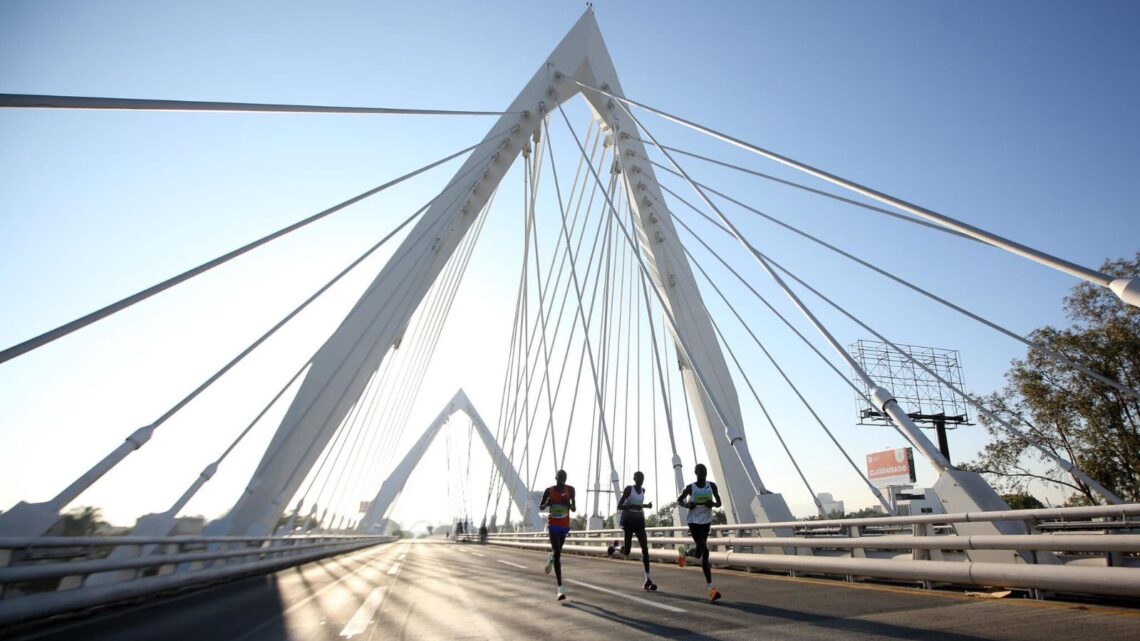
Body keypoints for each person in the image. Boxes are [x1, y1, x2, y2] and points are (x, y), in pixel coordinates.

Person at [675, 463, 723, 602]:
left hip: (706, 522)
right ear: (696, 473)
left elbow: (719, 503)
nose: (703, 473)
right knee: (705, 552)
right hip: (694, 522)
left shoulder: (712, 485)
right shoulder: (691, 487)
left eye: (705, 471)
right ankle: (711, 590)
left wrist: (712, 504)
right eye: (700, 471)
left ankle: (684, 553)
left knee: (698, 553)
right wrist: (687, 504)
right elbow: (679, 501)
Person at [614, 471, 657, 591]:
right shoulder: (629, 489)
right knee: (627, 552)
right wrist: (630, 507)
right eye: (638, 478)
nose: (640, 480)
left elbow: (638, 505)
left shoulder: (643, 490)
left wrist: (646, 506)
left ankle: (647, 580)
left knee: (645, 549)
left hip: (639, 521)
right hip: (628, 520)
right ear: (634, 479)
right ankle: (615, 548)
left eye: (642, 478)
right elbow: (619, 506)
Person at [539, 469, 576, 601]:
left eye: (564, 477)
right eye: (560, 477)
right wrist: (547, 503)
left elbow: (574, 509)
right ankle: (560, 589)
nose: (562, 479)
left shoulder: (571, 490)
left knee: (557, 553)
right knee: (558, 553)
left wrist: (569, 505)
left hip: (564, 526)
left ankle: (551, 557)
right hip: (553, 524)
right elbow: (541, 507)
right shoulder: (549, 491)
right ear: (556, 478)